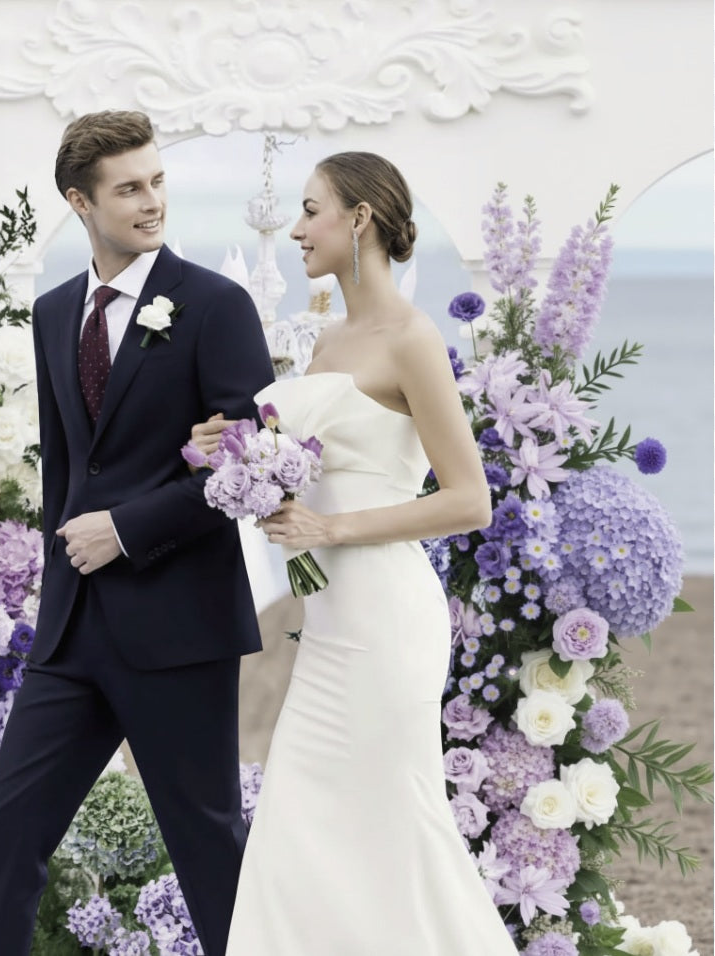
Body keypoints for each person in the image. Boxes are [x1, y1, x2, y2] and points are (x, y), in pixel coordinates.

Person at [0, 110, 274, 956]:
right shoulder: (55, 312)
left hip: (179, 627)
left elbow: (250, 467)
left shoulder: (216, 306)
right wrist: (68, 564)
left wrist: (126, 529)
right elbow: (69, 470)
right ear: (80, 202)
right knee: (6, 835)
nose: (151, 201)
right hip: (71, 632)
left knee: (209, 850)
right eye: (129, 188)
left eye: (157, 181)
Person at [191, 152, 518, 954]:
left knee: (390, 826)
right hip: (329, 621)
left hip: (386, 619)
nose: (298, 229)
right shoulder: (330, 337)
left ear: (360, 219)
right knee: (306, 834)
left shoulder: (412, 337)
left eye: (312, 211)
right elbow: (313, 456)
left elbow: (468, 499)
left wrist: (331, 530)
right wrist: (230, 446)